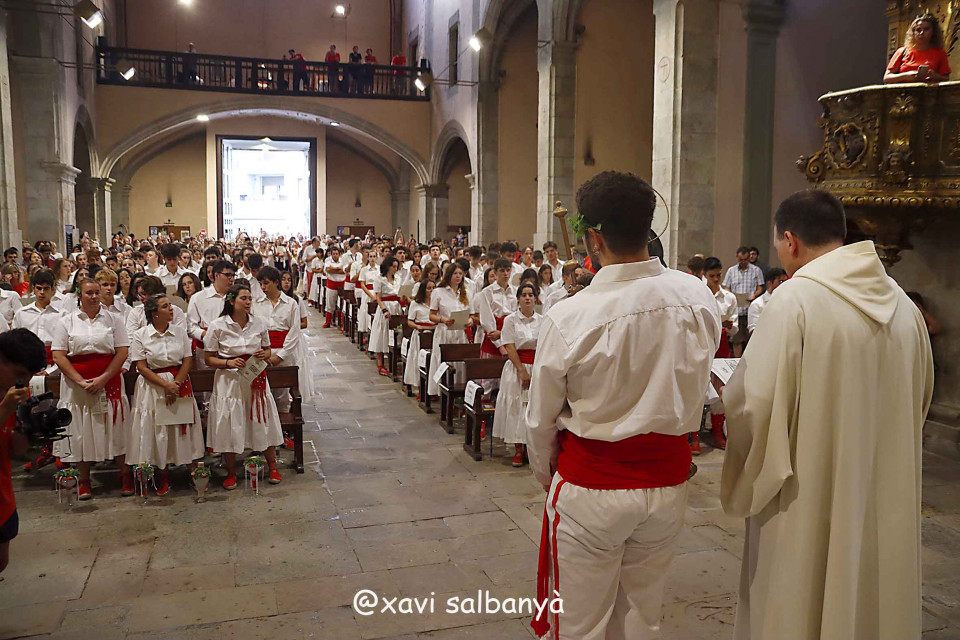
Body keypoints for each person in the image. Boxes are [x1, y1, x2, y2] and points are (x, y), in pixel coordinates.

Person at [720, 189, 934, 640]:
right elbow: (921, 399)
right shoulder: (903, 305)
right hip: (882, 488)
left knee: (799, 596)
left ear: (791, 241)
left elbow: (755, 405)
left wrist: (732, 415)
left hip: (808, 494)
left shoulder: (794, 301)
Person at [525, 171, 720, 640]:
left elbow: (541, 419)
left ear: (593, 238)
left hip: (593, 486)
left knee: (580, 623)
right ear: (648, 227)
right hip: (668, 482)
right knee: (640, 616)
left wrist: (546, 473)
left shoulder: (570, 315)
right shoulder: (697, 296)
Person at [51, 278, 133, 500]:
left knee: (115, 428)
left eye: (97, 292)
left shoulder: (114, 319)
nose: (95, 296)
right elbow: (58, 355)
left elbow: (122, 352)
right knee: (81, 431)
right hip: (76, 386)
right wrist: (80, 381)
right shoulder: (66, 321)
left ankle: (125, 475)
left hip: (109, 380)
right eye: (89, 293)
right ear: (79, 295)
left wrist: (104, 379)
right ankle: (84, 480)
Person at [203, 283, 284, 489]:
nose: (248, 302)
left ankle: (272, 465)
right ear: (232, 301)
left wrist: (264, 354)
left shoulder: (259, 323)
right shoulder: (218, 325)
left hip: (255, 378)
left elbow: (268, 349)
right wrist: (228, 362)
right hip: (229, 381)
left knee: (262, 419)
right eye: (243, 298)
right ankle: (231, 471)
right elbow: (208, 358)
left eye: (249, 298)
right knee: (229, 423)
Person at [129, 294, 203, 495]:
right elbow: (141, 366)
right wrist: (165, 385)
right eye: (165, 306)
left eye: (170, 305)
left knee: (183, 425)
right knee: (158, 429)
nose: (171, 309)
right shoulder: (141, 335)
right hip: (153, 387)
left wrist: (175, 384)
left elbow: (187, 360)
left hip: (179, 382)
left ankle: (193, 472)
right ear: (154, 313)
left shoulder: (179, 332)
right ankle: (162, 473)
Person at [0, 328, 47, 573]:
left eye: (27, 378)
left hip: (2, 493)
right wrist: (5, 408)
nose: (23, 383)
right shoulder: (7, 400)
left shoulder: (9, 394)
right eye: (19, 374)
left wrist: (28, 433)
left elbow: (15, 448)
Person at [493, 282, 540, 467]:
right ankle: (518, 449)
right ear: (518, 299)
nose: (527, 298)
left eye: (530, 295)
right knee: (517, 407)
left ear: (535, 298)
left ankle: (531, 448)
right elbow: (509, 346)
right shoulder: (510, 320)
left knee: (533, 407)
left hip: (536, 367)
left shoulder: (542, 320)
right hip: (516, 367)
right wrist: (521, 371)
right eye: (524, 295)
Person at [253, 266, 303, 410]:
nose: (263, 287)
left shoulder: (291, 303)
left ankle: (283, 419)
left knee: (282, 395)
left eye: (266, 283)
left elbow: (294, 331)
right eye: (260, 284)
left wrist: (280, 355)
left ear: (276, 282)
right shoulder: (255, 304)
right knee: (261, 394)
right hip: (262, 354)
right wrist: (262, 352)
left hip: (284, 352)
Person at [702, 256, 738, 452]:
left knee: (720, 390)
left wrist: (730, 326)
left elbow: (735, 327)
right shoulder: (698, 293)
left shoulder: (729, 297)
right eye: (712, 276)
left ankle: (717, 432)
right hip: (702, 346)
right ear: (704, 275)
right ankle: (693, 436)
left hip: (722, 347)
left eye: (719, 275)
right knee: (699, 389)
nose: (716, 279)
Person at [426, 263, 475, 399]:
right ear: (449, 275)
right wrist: (442, 319)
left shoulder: (466, 292)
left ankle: (458, 395)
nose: (458, 276)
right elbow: (431, 315)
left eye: (460, 274)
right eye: (455, 274)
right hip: (445, 331)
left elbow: (471, 314)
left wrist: (470, 320)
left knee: (459, 363)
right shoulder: (438, 292)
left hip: (460, 333)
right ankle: (439, 391)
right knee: (443, 361)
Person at [722, 246, 764, 356]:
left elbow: (760, 287)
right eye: (741, 260)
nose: (743, 262)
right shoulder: (731, 271)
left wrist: (754, 296)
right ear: (737, 257)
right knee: (737, 340)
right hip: (737, 309)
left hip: (750, 309)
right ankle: (736, 362)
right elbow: (726, 286)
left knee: (751, 339)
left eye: (745, 260)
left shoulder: (756, 270)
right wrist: (731, 296)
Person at [884, 13, 950, 84]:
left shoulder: (940, 53)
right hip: (904, 90)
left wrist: (935, 76)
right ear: (913, 32)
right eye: (918, 30)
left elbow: (946, 79)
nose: (922, 33)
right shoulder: (902, 51)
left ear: (933, 32)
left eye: (926, 29)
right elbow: (886, 78)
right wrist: (905, 76)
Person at [187, 260, 234, 352]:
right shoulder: (198, 298)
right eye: (228, 275)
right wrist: (207, 335)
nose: (231, 279)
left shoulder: (236, 297)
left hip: (232, 347)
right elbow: (191, 327)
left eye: (233, 275)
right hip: (206, 347)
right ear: (216, 275)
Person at [369, 257, 402, 376]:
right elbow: (378, 297)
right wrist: (384, 310)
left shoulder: (398, 278)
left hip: (396, 307)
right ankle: (380, 363)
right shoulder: (380, 279)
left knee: (396, 334)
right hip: (385, 306)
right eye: (393, 266)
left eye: (397, 266)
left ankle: (394, 362)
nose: (395, 269)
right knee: (382, 335)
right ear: (388, 266)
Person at [403, 277, 436, 393]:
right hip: (420, 334)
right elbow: (410, 321)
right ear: (423, 290)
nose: (431, 291)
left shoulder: (437, 303)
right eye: (429, 288)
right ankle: (420, 387)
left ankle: (432, 388)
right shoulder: (415, 304)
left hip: (434, 333)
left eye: (433, 288)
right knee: (419, 360)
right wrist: (417, 327)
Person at [746, 267, 787, 335]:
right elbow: (753, 330)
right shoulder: (757, 304)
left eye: (786, 282)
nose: (784, 285)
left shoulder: (790, 301)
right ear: (769, 283)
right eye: (780, 282)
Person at [321, 246, 346, 328]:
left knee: (342, 304)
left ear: (339, 254)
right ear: (331, 254)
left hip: (342, 284)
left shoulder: (343, 260)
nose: (335, 255)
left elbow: (344, 271)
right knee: (330, 304)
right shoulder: (327, 260)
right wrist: (339, 268)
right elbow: (328, 270)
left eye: (336, 254)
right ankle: (328, 321)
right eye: (334, 254)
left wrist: (334, 269)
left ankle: (342, 323)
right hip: (331, 284)